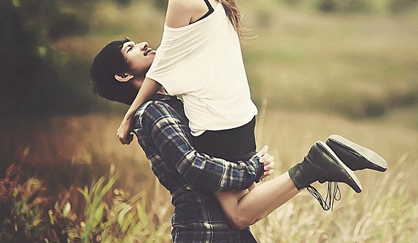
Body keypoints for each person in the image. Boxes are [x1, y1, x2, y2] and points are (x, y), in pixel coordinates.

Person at [113, 0, 385, 220]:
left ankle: (316, 164)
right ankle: (335, 154)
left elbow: (162, 66)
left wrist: (128, 116)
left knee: (240, 215)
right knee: (248, 204)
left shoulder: (182, 0)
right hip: (239, 114)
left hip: (215, 122)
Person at [90, 37, 388, 241]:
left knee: (241, 215)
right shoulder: (153, 112)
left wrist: (248, 164)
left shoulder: (171, 102)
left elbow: (211, 151)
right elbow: (194, 166)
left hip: (222, 228)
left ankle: (319, 164)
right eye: (130, 48)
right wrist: (251, 169)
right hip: (202, 230)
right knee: (241, 215)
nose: (143, 43)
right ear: (122, 76)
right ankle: (316, 165)